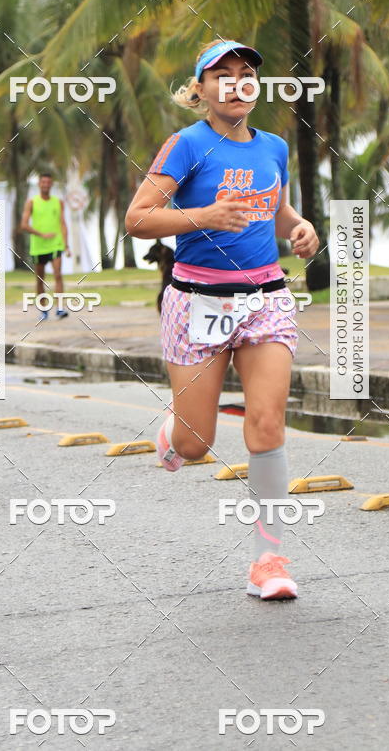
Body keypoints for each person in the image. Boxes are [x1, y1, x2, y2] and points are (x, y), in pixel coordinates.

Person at [125, 39, 319, 601]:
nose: (236, 83)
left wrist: (300, 228)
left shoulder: (275, 147)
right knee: (194, 445)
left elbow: (274, 211)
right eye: (222, 75)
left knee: (266, 424)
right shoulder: (187, 145)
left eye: (246, 74)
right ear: (202, 90)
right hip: (196, 299)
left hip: (266, 298)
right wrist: (203, 215)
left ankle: (269, 559)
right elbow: (138, 219)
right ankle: (172, 430)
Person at [20, 173, 70, 319]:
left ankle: (60, 308)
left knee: (58, 275)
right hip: (39, 246)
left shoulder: (58, 202)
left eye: (48, 182)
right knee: (40, 279)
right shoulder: (32, 202)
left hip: (56, 244)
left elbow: (62, 223)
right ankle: (43, 310)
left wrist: (66, 244)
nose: (46, 185)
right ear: (39, 184)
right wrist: (41, 234)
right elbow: (24, 225)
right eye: (43, 182)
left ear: (51, 184)